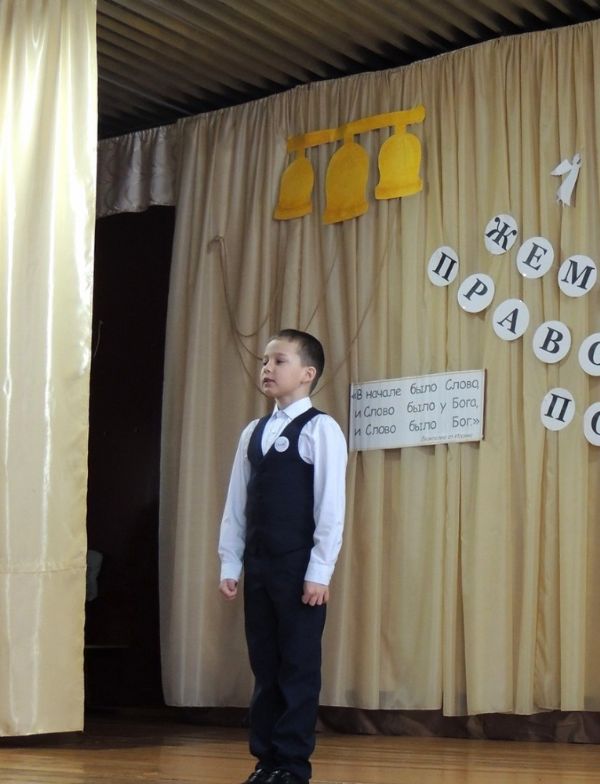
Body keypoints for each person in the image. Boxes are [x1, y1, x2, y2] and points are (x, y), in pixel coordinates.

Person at [218, 328, 347, 784]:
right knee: (266, 666)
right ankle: (266, 760)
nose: (268, 368)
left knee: (297, 667)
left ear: (308, 373)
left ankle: (292, 765)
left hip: (298, 570)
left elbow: (330, 508)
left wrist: (319, 571)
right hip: (259, 566)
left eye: (279, 361)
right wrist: (230, 561)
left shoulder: (321, 429)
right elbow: (236, 505)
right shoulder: (252, 433)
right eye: (265, 361)